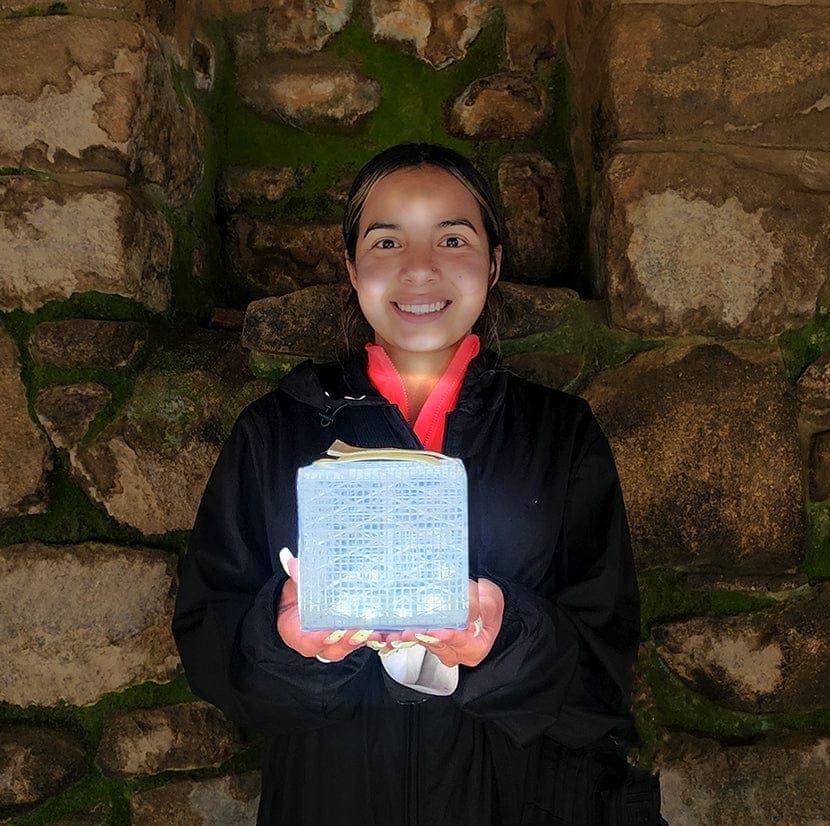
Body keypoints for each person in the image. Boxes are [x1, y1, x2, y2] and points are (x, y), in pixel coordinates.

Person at [173, 144, 658, 825]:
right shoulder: (276, 431)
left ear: (492, 262)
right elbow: (210, 645)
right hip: (331, 797)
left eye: (452, 238)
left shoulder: (560, 435)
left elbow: (603, 673)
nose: (420, 268)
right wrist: (288, 644)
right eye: (387, 240)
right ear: (351, 264)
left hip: (523, 801)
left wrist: (503, 638)